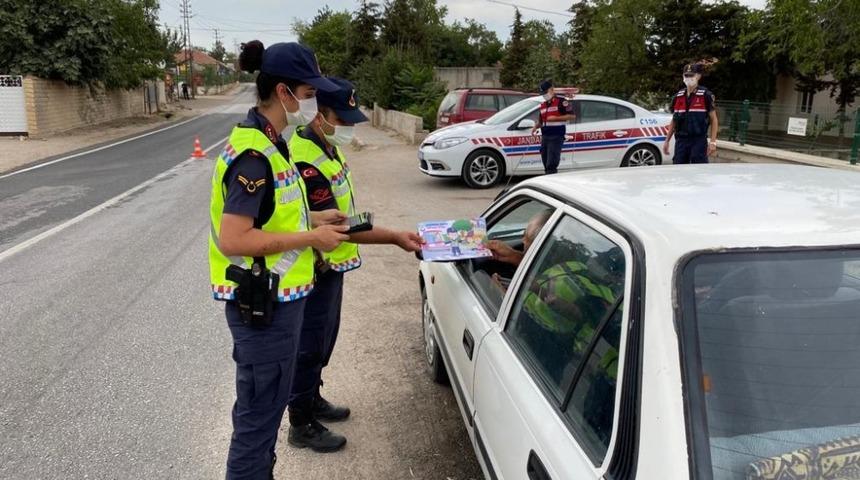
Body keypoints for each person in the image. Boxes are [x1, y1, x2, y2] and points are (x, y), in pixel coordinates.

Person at [209, 39, 350, 479]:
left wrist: (315, 216)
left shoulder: (275, 144)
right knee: (257, 420)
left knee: (266, 414)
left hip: (278, 305)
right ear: (284, 92)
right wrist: (311, 236)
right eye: (309, 94)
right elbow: (234, 238)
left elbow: (272, 214)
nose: (313, 103)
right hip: (263, 310)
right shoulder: (254, 156)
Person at [286, 77, 423, 452]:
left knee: (323, 340)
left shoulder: (328, 148)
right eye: (342, 120)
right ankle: (300, 422)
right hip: (314, 269)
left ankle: (312, 397)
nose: (348, 126)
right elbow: (338, 229)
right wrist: (393, 236)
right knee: (308, 346)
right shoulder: (305, 159)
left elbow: (342, 215)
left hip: (332, 267)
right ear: (319, 116)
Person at [663, 63, 719, 164]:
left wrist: (713, 141)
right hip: (681, 140)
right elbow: (674, 120)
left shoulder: (705, 95)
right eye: (686, 75)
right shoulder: (678, 97)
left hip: (698, 140)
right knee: (678, 167)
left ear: (698, 76)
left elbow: (714, 119)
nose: (689, 78)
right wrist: (667, 141)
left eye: (691, 75)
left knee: (698, 169)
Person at [532, 79, 574, 175]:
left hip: (556, 136)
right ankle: (548, 177)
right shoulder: (543, 105)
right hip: (545, 137)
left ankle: (551, 179)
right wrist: (535, 127)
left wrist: (556, 118)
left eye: (545, 92)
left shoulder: (562, 102)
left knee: (551, 164)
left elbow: (572, 116)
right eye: (542, 93)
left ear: (551, 90)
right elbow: (541, 121)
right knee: (545, 162)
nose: (544, 95)